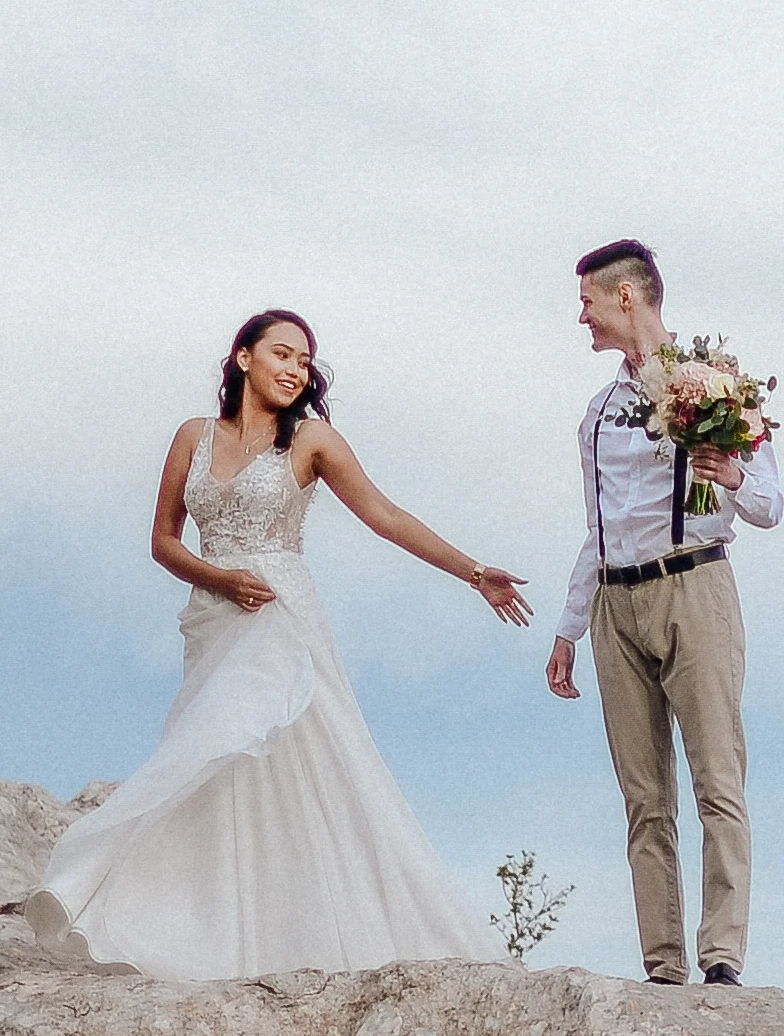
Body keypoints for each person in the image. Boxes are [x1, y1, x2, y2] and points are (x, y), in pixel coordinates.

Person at [38, 308, 536, 977]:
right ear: (243, 357)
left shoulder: (311, 441)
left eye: (305, 359)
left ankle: (326, 936)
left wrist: (473, 571)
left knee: (302, 763)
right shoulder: (193, 436)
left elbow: (385, 516)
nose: (295, 368)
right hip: (215, 616)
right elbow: (162, 541)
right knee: (212, 768)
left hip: (281, 617)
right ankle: (208, 933)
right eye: (281, 353)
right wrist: (219, 577)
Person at [546, 237, 781, 983]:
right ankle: (662, 963)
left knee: (717, 776)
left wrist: (732, 471)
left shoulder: (716, 387)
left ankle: (721, 955)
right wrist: (569, 625)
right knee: (644, 795)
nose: (580, 318)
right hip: (618, 600)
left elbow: (770, 505)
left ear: (627, 297)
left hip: (696, 585)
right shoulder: (598, 412)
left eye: (587, 303)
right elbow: (600, 525)